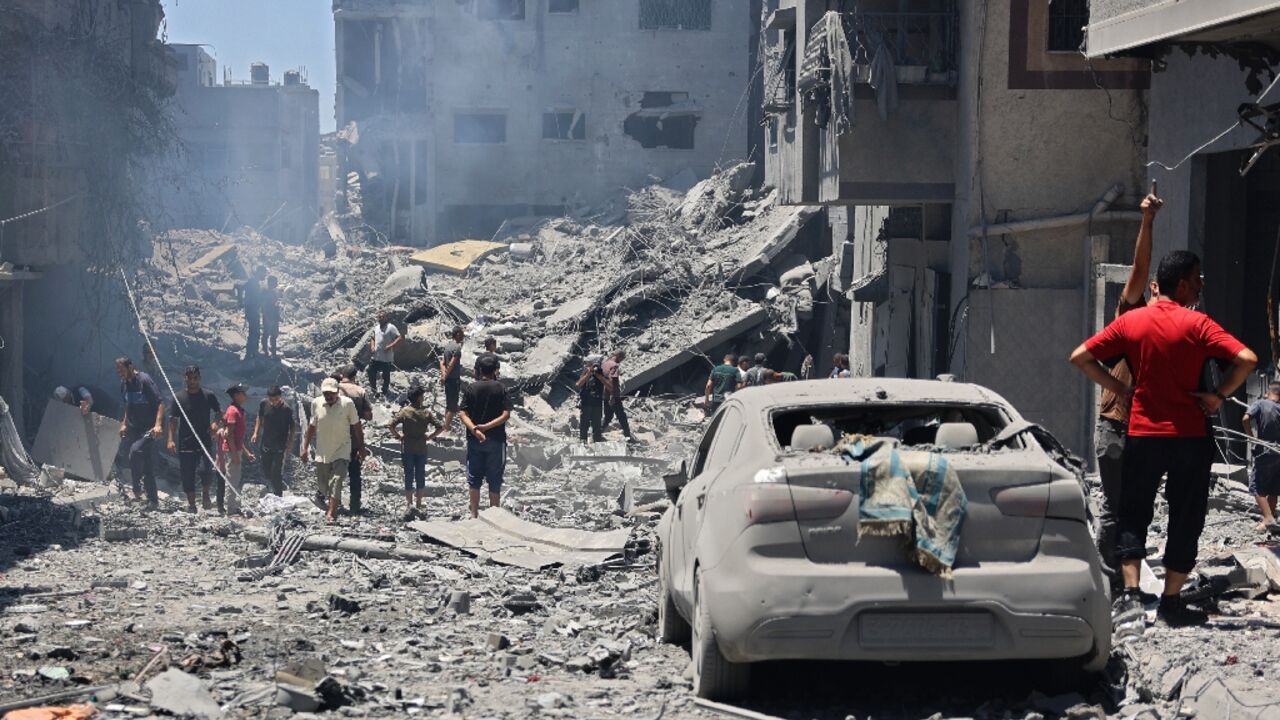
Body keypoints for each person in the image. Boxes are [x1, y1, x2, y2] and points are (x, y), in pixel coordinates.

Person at [1070, 249, 1257, 627]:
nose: (1202, 284)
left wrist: (1120, 389)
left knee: (1133, 511)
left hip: (1144, 432)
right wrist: (1218, 395)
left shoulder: (1133, 322)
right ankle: (1171, 602)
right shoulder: (1199, 324)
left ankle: (1132, 598)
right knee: (1186, 516)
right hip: (1190, 435)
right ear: (1184, 284)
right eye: (1199, 278)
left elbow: (1080, 356)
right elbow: (1247, 358)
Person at [1093, 189, 1160, 590]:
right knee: (1117, 509)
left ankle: (1125, 581)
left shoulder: (1181, 328)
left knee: (1137, 509)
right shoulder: (1133, 318)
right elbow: (1138, 268)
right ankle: (1109, 584)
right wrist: (1147, 222)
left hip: (1149, 432)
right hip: (1119, 426)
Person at [302, 377, 365, 524]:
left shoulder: (347, 404)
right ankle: (329, 502)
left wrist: (361, 447)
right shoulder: (316, 403)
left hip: (342, 449)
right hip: (323, 451)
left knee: (337, 480)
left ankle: (331, 513)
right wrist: (304, 448)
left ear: (337, 392)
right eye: (326, 393)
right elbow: (312, 426)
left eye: (331, 393)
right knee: (323, 485)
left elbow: (357, 427)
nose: (329, 396)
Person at [460, 354, 511, 518]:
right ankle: (494, 516)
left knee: (474, 479)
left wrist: (476, 430)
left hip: (475, 441)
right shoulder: (501, 388)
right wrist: (487, 427)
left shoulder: (471, 388)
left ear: (479, 370)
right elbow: (506, 415)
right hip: (496, 441)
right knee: (495, 480)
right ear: (495, 370)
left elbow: (462, 414)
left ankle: (474, 514)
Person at [167, 366, 222, 513]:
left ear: (200, 378)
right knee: (187, 473)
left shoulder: (208, 395)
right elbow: (172, 420)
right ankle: (191, 504)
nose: (192, 381)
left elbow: (218, 412)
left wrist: (215, 424)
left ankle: (205, 493)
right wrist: (170, 439)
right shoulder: (179, 398)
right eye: (189, 378)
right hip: (186, 441)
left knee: (205, 470)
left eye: (195, 378)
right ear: (185, 378)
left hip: (204, 439)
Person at [116, 357, 164, 509]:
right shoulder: (124, 384)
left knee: (135, 452)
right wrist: (124, 423)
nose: (120, 373)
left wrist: (157, 425)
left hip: (149, 428)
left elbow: (160, 403)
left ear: (130, 367)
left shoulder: (144, 380)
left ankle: (137, 488)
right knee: (146, 462)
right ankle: (153, 501)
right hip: (134, 428)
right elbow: (128, 405)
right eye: (118, 370)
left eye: (122, 369)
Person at [389, 386, 443, 518]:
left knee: (408, 475)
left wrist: (398, 436)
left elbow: (391, 425)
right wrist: (429, 437)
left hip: (407, 447)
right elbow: (440, 427)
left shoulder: (404, 411)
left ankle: (409, 504)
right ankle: (419, 504)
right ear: (419, 397)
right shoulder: (426, 413)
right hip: (421, 447)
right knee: (420, 475)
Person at [1243, 382, 1280, 537]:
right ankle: (1269, 520)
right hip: (1278, 451)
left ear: (1267, 393)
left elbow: (1246, 418)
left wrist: (1251, 437)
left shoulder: (1260, 403)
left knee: (1257, 486)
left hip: (1264, 450)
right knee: (1274, 486)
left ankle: (1268, 517)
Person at [337, 366, 373, 514]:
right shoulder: (360, 391)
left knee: (336, 472)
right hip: (353, 438)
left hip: (335, 438)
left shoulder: (333, 389)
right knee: (354, 473)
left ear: (342, 375)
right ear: (355, 376)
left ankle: (335, 504)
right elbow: (369, 415)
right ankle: (354, 506)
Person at [219, 384, 255, 516]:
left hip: (236, 448)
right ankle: (230, 508)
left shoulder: (239, 410)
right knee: (232, 478)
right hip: (231, 450)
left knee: (236, 477)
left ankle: (233, 505)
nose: (245, 395)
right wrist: (234, 454)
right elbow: (229, 434)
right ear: (236, 395)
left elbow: (238, 438)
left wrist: (246, 453)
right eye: (242, 393)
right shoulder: (233, 411)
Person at [252, 385, 295, 496]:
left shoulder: (286, 409)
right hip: (266, 443)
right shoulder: (264, 403)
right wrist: (256, 432)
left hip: (280, 445)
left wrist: (290, 443)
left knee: (276, 471)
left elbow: (293, 427)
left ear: (280, 397)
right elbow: (259, 417)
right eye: (271, 400)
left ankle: (278, 494)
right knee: (266, 470)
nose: (273, 402)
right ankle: (276, 485)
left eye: (276, 399)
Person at [600, 350, 633, 441]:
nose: (621, 361)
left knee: (608, 417)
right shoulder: (614, 365)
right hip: (613, 396)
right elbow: (612, 380)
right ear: (618, 356)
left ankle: (597, 434)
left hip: (605, 395)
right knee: (622, 417)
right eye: (622, 358)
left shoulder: (605, 364)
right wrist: (613, 396)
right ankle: (628, 437)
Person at [368, 310, 401, 397]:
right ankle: (374, 389)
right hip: (375, 356)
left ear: (386, 317)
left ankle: (384, 391)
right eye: (379, 317)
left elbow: (399, 337)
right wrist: (372, 346)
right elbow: (372, 338)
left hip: (386, 358)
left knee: (386, 376)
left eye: (383, 316)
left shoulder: (391, 327)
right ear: (377, 318)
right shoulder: (376, 327)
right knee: (370, 372)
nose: (381, 318)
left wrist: (390, 346)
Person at [576, 356, 608, 444]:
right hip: (586, 402)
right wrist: (589, 373)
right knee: (584, 424)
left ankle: (597, 443)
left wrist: (599, 376)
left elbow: (609, 385)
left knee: (597, 426)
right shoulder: (586, 371)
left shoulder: (602, 373)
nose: (596, 367)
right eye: (594, 365)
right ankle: (583, 442)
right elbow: (578, 384)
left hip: (597, 404)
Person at [439, 326, 464, 433]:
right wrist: (445, 376)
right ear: (457, 334)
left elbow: (442, 363)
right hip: (453, 380)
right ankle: (446, 428)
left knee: (449, 403)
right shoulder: (457, 348)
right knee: (453, 406)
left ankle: (446, 425)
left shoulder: (448, 346)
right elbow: (451, 364)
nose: (463, 336)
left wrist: (443, 376)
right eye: (461, 333)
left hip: (448, 380)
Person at [54, 383, 118, 419]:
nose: (65, 403)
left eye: (64, 400)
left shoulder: (79, 389)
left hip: (107, 406)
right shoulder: (69, 403)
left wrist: (85, 410)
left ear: (67, 395)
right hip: (98, 414)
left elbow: (89, 400)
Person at [243, 267, 266, 360]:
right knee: (254, 332)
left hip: (252, 310)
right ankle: (251, 353)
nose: (264, 276)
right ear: (259, 273)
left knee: (254, 332)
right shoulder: (253, 284)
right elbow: (249, 299)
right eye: (264, 273)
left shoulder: (253, 283)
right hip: (252, 311)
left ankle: (251, 352)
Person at [262, 275, 281, 357]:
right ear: (270, 282)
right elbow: (264, 306)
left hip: (274, 316)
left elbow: (275, 304)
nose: (276, 283)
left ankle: (273, 352)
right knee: (266, 334)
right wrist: (266, 317)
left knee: (274, 335)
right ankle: (265, 351)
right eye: (275, 282)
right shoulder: (265, 292)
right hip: (268, 316)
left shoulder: (274, 292)